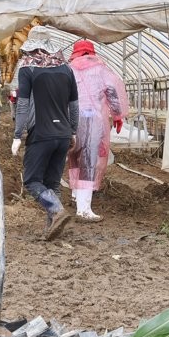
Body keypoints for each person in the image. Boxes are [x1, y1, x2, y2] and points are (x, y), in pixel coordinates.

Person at [11, 25, 79, 239]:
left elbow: (22, 105)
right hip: (63, 135)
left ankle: (56, 210)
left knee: (31, 181)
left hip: (41, 134)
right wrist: (73, 131)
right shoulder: (67, 69)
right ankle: (53, 228)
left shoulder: (27, 68)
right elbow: (74, 105)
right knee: (52, 182)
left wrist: (17, 135)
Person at [66, 39, 128, 222]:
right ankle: (83, 209)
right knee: (89, 160)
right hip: (93, 120)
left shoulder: (68, 69)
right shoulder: (100, 69)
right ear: (91, 52)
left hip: (72, 119)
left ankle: (77, 195)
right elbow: (112, 93)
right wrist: (117, 116)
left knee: (74, 156)